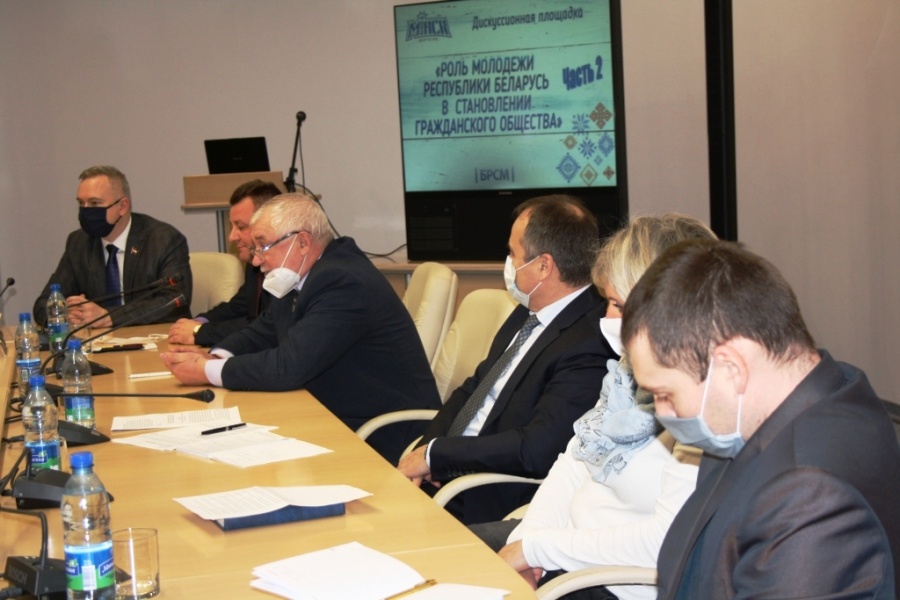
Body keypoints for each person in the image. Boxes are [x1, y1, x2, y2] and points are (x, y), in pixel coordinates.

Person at [622, 239, 900, 599]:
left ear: (731, 367)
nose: (663, 413)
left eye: (665, 394)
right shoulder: (809, 396)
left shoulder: (810, 496)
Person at [474, 214, 714, 600]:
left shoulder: (703, 405)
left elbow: (664, 541)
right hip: (561, 549)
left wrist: (537, 550)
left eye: (617, 304)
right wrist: (526, 544)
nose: (606, 318)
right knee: (436, 556)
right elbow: (574, 461)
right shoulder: (624, 375)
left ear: (667, 309)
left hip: (612, 584)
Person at [159, 193, 441, 462]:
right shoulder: (303, 273)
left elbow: (288, 367)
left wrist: (207, 372)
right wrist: (216, 356)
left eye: (263, 246)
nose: (256, 260)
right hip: (338, 414)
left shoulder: (343, 280)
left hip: (384, 436)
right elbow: (264, 329)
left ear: (302, 242)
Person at [397, 195, 614, 525]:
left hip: (486, 494)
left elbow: (536, 449)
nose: (509, 262)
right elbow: (474, 388)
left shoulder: (589, 342)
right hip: (449, 474)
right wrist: (426, 452)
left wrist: (439, 456)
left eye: (513, 254)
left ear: (543, 266)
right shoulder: (528, 311)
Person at [34, 165, 191, 328]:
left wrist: (108, 316)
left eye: (94, 203)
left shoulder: (163, 239)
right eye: (81, 203)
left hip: (154, 338)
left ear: (122, 206)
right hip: (99, 341)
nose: (85, 211)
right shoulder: (78, 243)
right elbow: (43, 303)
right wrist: (64, 314)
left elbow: (175, 300)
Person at [167, 179, 279, 346]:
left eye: (241, 227)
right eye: (231, 226)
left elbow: (264, 326)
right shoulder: (254, 261)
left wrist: (199, 332)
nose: (231, 237)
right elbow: (239, 307)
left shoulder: (288, 269)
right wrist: (198, 322)